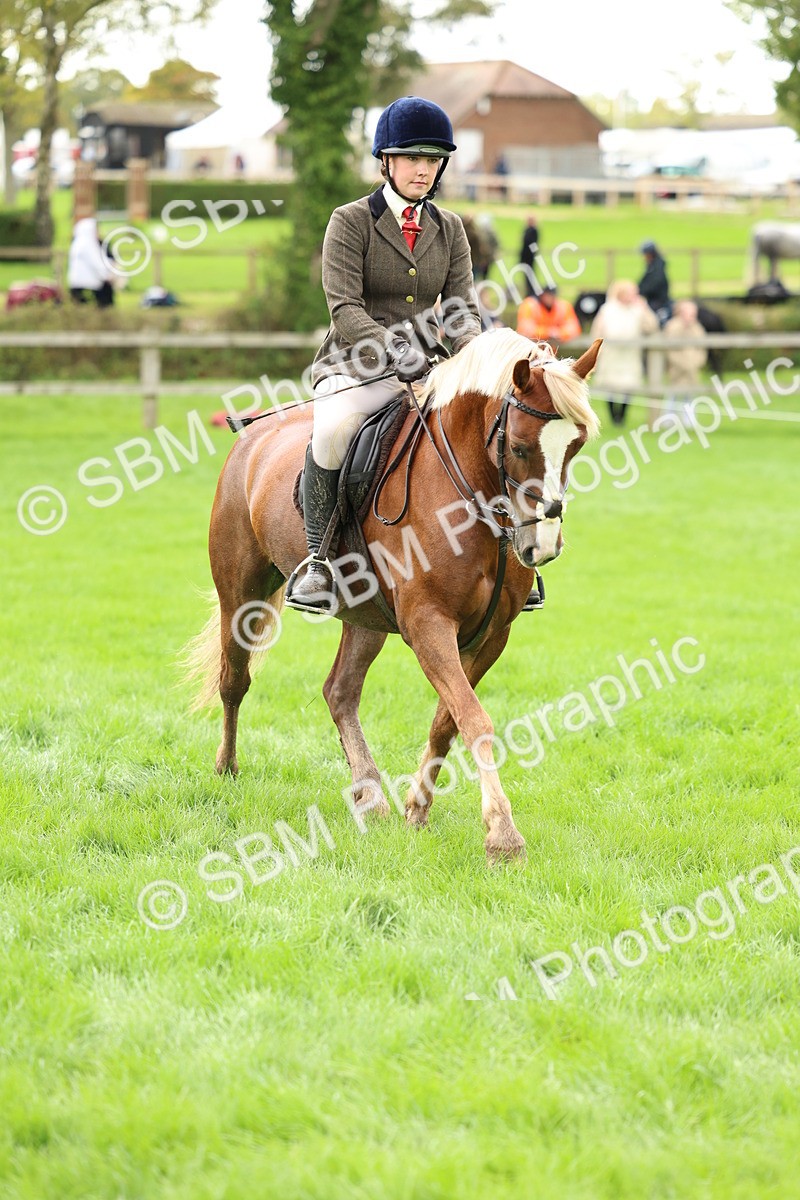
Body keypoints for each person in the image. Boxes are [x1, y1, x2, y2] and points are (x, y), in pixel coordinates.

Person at [286, 96, 482, 615]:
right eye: (412, 157)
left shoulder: (450, 228)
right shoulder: (349, 221)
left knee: (485, 429)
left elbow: (460, 309)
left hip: (429, 371)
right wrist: (394, 347)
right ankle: (318, 561)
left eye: (432, 159)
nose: (423, 169)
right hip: (355, 367)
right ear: (386, 162)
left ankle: (503, 557)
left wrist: (477, 355)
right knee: (331, 432)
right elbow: (344, 308)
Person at [589, 279, 658, 426]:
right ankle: (614, 416)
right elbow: (597, 330)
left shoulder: (638, 309)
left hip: (630, 355)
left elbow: (651, 327)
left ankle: (622, 416)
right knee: (610, 385)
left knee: (629, 385)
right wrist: (596, 350)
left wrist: (645, 310)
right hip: (611, 353)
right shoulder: (607, 309)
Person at [663, 299, 707, 427]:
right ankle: (668, 420)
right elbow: (670, 349)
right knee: (673, 394)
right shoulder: (673, 327)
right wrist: (682, 364)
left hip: (692, 367)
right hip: (677, 368)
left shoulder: (697, 328)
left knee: (690, 394)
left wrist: (696, 362)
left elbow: (702, 348)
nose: (692, 317)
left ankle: (689, 421)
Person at [67, 216, 114, 308]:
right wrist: (108, 276)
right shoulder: (88, 244)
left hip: (76, 284)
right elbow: (97, 264)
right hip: (89, 285)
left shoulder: (77, 243)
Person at [516, 285, 581, 345]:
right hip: (531, 349)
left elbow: (574, 329)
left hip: (554, 350)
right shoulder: (530, 305)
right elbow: (526, 330)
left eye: (552, 295)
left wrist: (559, 333)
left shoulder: (563, 306)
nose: (550, 298)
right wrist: (548, 333)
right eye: (547, 295)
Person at [638, 240, 672, 326]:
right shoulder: (653, 266)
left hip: (658, 301)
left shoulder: (657, 268)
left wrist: (641, 291)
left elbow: (654, 284)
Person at [519, 215, 539, 295]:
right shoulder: (527, 230)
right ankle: (529, 292)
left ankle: (531, 292)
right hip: (526, 257)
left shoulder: (533, 231)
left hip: (529, 258)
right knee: (527, 276)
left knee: (530, 276)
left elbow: (531, 244)